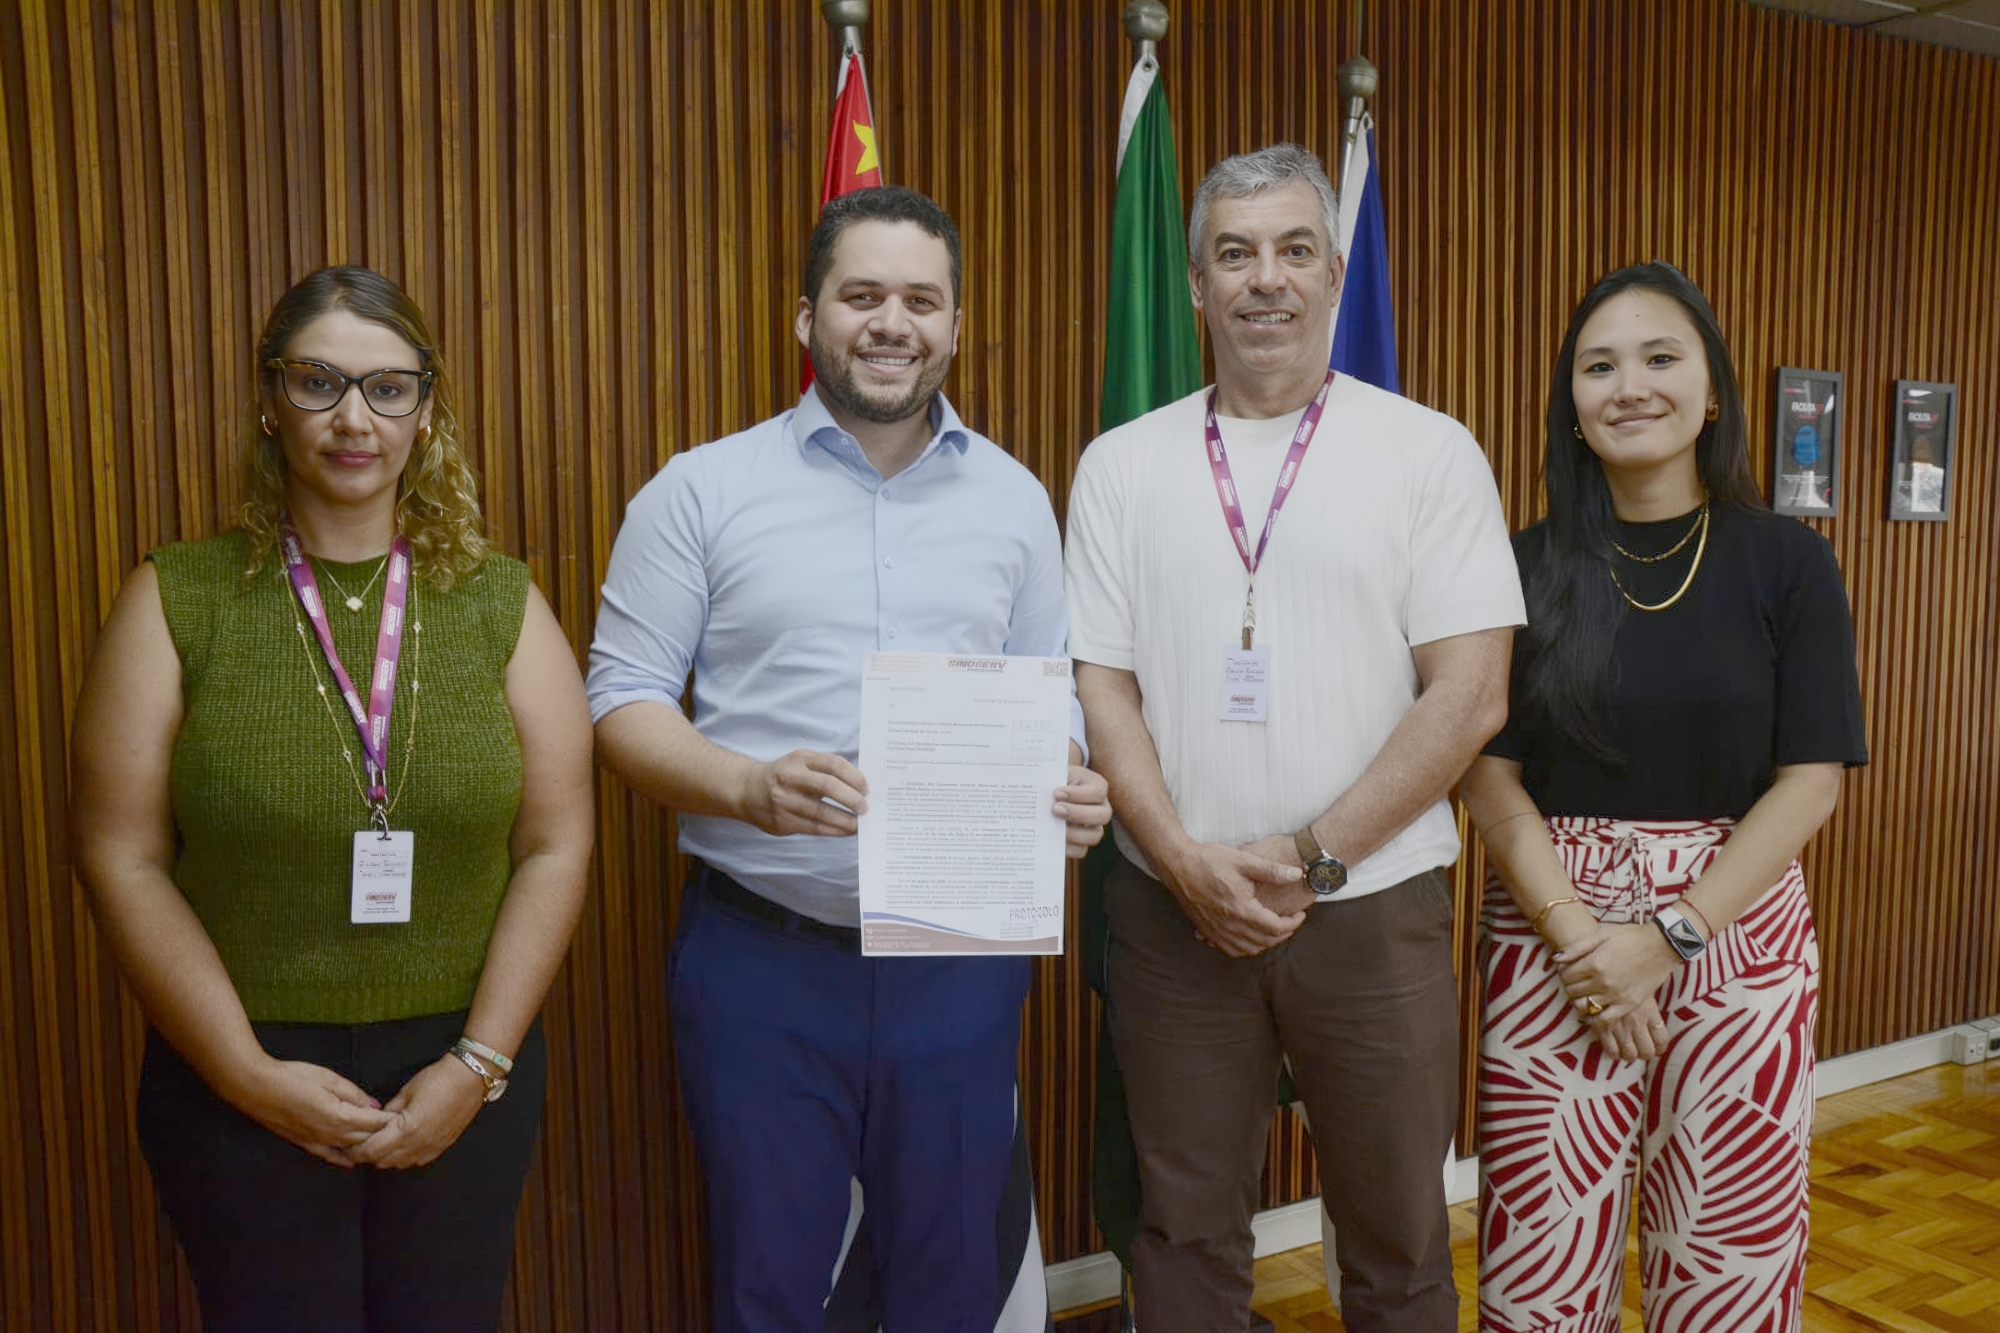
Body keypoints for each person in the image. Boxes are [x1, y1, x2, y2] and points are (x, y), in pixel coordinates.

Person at [588, 185, 1111, 1331]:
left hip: (958, 965)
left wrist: (1067, 779)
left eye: (920, 300)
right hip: (762, 964)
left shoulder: (1015, 499)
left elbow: (1053, 693)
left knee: (948, 1284)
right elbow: (621, 701)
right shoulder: (700, 489)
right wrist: (744, 786)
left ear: (955, 325)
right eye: (860, 294)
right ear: (806, 317)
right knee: (771, 1286)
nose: (891, 323)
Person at [70, 265, 595, 1333]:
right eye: (319, 382)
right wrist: (244, 1072)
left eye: (387, 388)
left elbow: (556, 839)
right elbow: (120, 854)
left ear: (424, 410)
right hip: (237, 1068)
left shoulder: (500, 600)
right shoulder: (177, 595)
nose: (355, 418)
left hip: (462, 1069)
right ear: (271, 399)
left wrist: (478, 1063)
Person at [1065, 143, 1523, 1332]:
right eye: (1233, 253)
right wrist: (1180, 859)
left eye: (1291, 249)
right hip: (1172, 910)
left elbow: (1470, 693)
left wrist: (1311, 856)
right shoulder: (1119, 467)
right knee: (1179, 1238)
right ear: (1195, 284)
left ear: (1331, 274)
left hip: (1371, 907)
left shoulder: (1427, 451)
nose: (1262, 277)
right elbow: (1100, 684)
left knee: (1397, 1240)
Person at [1461, 262, 1867, 1330]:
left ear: (1711, 390)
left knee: (1730, 1268)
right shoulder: (1519, 566)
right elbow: (1488, 773)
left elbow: (1812, 778)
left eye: (1659, 357)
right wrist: (1583, 942)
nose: (1629, 386)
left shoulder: (1788, 562)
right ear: (1571, 406)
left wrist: (1671, 933)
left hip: (1736, 935)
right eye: (1598, 367)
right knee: (1540, 1276)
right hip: (1553, 937)